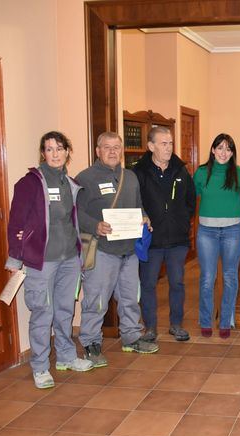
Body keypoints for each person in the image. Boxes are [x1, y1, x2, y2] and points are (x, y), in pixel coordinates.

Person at [6, 131, 94, 388]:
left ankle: (66, 357)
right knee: (43, 313)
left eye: (59, 148)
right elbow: (16, 224)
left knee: (65, 311)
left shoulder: (70, 183)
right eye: (49, 149)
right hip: (42, 261)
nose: (54, 154)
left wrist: (80, 255)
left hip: (69, 258)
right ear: (42, 154)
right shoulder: (30, 183)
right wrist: (14, 259)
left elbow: (72, 221)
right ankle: (41, 366)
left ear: (67, 152)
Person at [77, 131, 158, 368]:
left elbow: (138, 206)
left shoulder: (130, 177)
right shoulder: (85, 178)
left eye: (116, 147)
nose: (113, 152)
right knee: (97, 300)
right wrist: (94, 225)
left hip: (129, 250)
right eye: (107, 147)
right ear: (97, 151)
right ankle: (91, 343)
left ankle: (131, 336)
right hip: (102, 250)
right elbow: (76, 212)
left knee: (130, 298)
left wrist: (144, 217)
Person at [131, 127, 196, 343]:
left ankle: (176, 325)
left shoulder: (181, 170)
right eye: (163, 144)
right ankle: (150, 327)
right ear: (151, 146)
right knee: (148, 284)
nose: (168, 148)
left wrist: (182, 221)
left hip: (177, 240)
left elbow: (190, 201)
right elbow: (135, 202)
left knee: (177, 283)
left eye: (170, 143)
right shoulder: (138, 172)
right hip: (152, 240)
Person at [193, 133, 240, 339]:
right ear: (213, 150)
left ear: (232, 152)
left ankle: (226, 321)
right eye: (220, 148)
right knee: (208, 278)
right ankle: (206, 321)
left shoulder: (239, 173)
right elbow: (194, 196)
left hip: (233, 231)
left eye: (228, 148)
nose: (224, 152)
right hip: (207, 231)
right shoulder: (201, 173)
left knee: (229, 277)